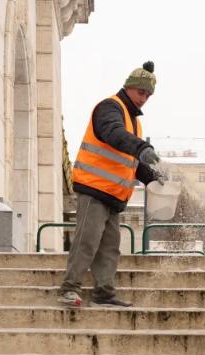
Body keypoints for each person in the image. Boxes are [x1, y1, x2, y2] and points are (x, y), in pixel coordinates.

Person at [57, 61, 163, 308]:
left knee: (110, 248)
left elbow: (130, 160)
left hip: (114, 195)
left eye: (148, 95)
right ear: (129, 87)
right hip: (94, 188)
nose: (144, 99)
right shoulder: (110, 108)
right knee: (87, 240)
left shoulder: (133, 121)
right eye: (141, 92)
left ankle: (103, 294)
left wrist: (152, 177)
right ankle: (69, 288)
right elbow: (113, 134)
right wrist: (142, 147)